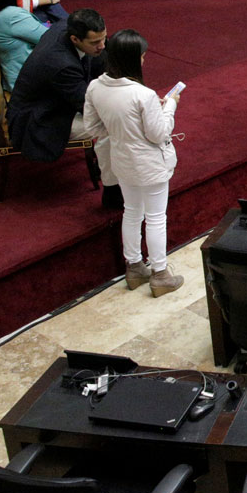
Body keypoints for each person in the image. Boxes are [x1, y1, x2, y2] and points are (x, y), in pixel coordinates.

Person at [83, 30, 182, 297]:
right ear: (131, 59)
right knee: (156, 218)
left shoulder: (95, 87)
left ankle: (135, 267)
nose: (144, 61)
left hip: (122, 162)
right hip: (149, 164)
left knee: (132, 212)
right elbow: (159, 133)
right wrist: (170, 106)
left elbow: (92, 126)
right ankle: (160, 273)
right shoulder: (143, 95)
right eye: (142, 57)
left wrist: (122, 130)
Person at [6, 8, 117, 203]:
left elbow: (99, 60)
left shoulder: (66, 27)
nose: (102, 45)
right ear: (75, 39)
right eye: (95, 42)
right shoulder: (62, 65)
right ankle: (112, 189)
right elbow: (89, 107)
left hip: (51, 102)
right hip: (39, 120)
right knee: (114, 125)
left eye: (104, 38)